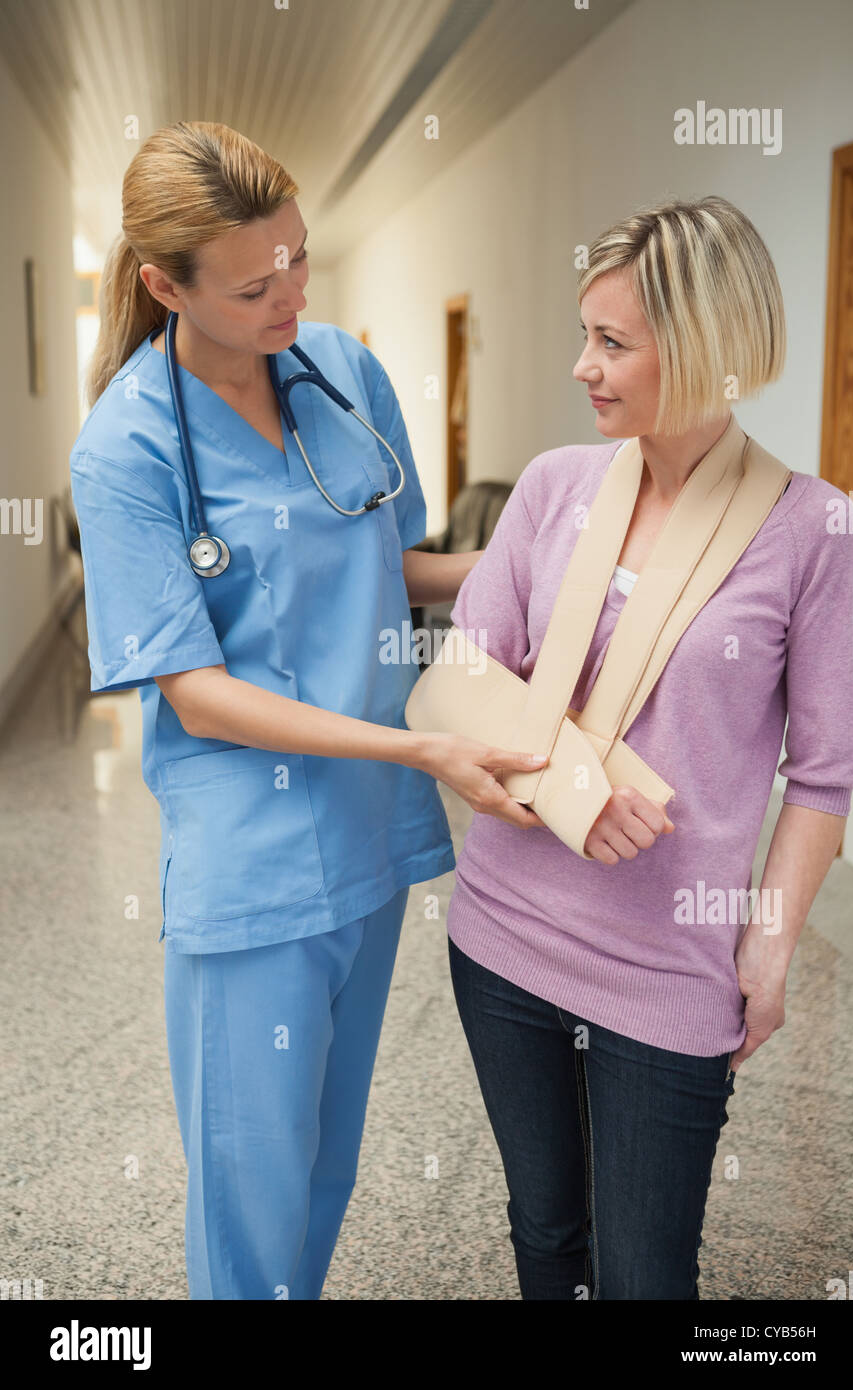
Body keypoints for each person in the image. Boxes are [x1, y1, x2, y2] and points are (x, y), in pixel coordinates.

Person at [70, 119, 549, 1300]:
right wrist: (420, 744)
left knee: (327, 1169)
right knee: (252, 1194)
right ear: (161, 286)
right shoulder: (126, 447)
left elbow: (395, 565)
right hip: (255, 871)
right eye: (252, 281)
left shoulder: (338, 365)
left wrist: (546, 563)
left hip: (371, 840)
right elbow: (199, 692)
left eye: (297, 255)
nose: (290, 291)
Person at [444, 195, 853, 1300]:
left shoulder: (815, 531)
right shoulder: (553, 488)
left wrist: (766, 954)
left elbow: (822, 779)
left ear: (705, 348)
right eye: (585, 334)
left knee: (642, 1276)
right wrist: (570, 789)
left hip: (669, 969)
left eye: (611, 342)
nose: (581, 365)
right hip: (502, 935)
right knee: (546, 1237)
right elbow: (460, 685)